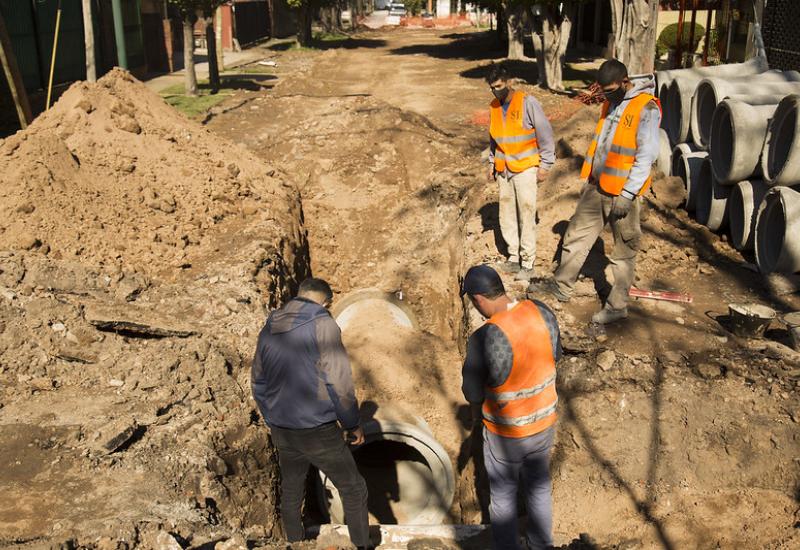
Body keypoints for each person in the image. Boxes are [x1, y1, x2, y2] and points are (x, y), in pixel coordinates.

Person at [530, 59, 661, 325]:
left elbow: (645, 157)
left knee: (623, 252)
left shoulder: (645, 108)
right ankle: (562, 285)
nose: (608, 95)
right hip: (598, 187)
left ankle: (617, 306)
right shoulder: (610, 103)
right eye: (605, 91)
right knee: (577, 234)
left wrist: (627, 194)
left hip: (624, 193)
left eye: (612, 90)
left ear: (625, 82)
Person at [251, 278, 371, 550]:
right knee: (353, 488)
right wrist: (352, 424)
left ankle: (294, 544)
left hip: (282, 427)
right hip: (318, 429)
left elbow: (258, 381)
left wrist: (272, 416)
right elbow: (339, 381)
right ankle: (362, 547)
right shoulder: (323, 324)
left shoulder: (270, 326)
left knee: (292, 490)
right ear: (325, 301)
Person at [460, 264, 562, 550]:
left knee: (503, 497)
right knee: (539, 487)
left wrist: (476, 412)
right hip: (544, 424)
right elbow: (556, 355)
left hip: (507, 434)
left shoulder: (485, 338)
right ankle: (541, 544)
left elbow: (472, 391)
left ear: (478, 299)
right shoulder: (540, 311)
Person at [486, 65, 556, 282]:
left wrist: (545, 164)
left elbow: (545, 134)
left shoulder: (527, 103)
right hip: (504, 168)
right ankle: (513, 257)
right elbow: (494, 138)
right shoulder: (494, 106)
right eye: (492, 88)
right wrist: (491, 163)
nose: (496, 91)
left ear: (508, 82)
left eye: (498, 86)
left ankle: (527, 262)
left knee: (526, 213)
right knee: (506, 213)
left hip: (525, 167)